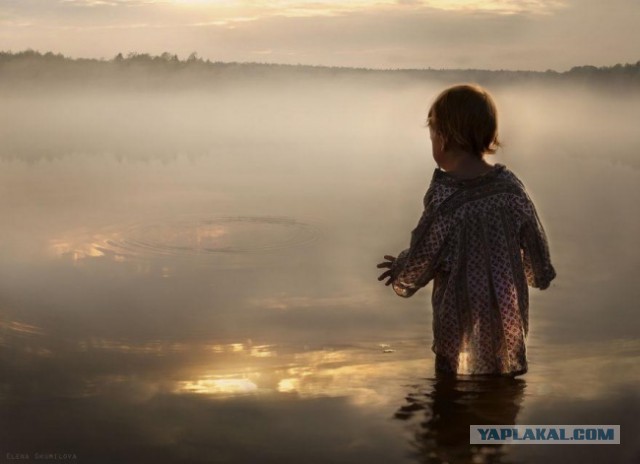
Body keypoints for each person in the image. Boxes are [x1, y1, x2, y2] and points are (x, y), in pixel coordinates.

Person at [377, 84, 556, 376]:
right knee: (502, 396)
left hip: (456, 324)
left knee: (450, 399)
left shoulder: (447, 199)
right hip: (506, 322)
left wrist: (401, 270)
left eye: (432, 134)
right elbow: (537, 255)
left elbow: (425, 255)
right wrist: (524, 272)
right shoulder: (511, 189)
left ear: (444, 139)